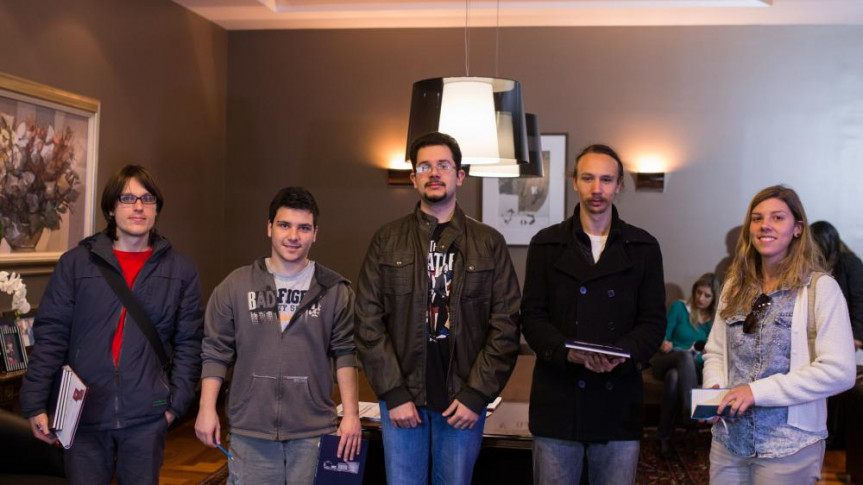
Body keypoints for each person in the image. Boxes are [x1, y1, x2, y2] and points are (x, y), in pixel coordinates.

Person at [355, 131, 521, 485]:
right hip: (403, 400)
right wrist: (393, 393)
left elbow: (506, 324)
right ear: (413, 178)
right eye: (424, 166)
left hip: (462, 403)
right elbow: (367, 321)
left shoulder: (489, 243)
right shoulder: (387, 240)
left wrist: (476, 394)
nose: (434, 173)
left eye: (443, 165)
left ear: (459, 176)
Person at [19, 165, 203, 485]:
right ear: (110, 208)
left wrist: (175, 406)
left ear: (156, 208)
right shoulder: (75, 264)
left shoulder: (181, 270)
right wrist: (35, 402)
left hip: (147, 417)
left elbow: (190, 342)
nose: (138, 206)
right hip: (83, 414)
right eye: (127, 198)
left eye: (147, 199)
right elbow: (51, 336)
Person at [521, 143, 666, 485]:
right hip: (559, 400)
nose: (596, 188)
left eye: (606, 179)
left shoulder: (643, 247)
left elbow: (653, 322)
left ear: (619, 185)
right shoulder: (546, 243)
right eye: (588, 178)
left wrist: (620, 354)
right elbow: (532, 316)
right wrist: (567, 352)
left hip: (617, 402)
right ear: (575, 182)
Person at [195, 187, 361, 484]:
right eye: (285, 225)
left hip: (312, 429)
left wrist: (351, 415)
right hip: (251, 429)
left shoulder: (335, 290)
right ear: (269, 227)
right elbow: (215, 351)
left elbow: (346, 353)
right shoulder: (236, 285)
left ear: (315, 233)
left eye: (303, 228)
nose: (293, 236)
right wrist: (206, 409)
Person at [702, 185, 857, 485]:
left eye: (777, 217)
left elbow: (840, 371)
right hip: (729, 441)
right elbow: (716, 351)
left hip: (789, 445)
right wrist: (714, 390)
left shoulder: (820, 289)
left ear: (797, 228)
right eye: (757, 218)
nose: (765, 225)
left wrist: (756, 392)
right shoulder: (734, 286)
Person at [652, 272, 719, 458]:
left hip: (692, 369)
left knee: (674, 377)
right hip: (666, 360)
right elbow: (663, 335)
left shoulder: (714, 322)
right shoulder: (680, 308)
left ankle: (663, 436)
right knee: (683, 356)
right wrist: (664, 343)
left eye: (707, 295)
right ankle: (690, 411)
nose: (701, 298)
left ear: (714, 299)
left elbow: (712, 354)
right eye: (698, 292)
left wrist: (696, 358)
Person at [810, 221, 863, 449]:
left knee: (837, 386)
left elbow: (860, 299)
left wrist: (857, 336)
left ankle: (835, 438)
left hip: (846, 334)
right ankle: (826, 433)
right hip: (822, 334)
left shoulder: (850, 263)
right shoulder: (814, 265)